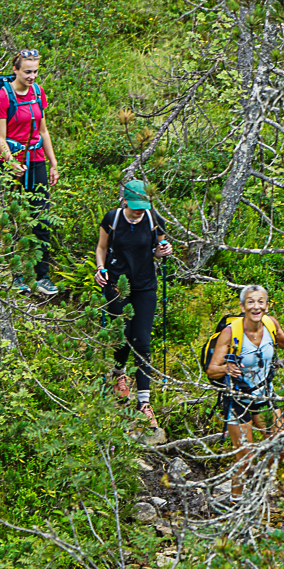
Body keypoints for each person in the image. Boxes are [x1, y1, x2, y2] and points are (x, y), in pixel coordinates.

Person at [206, 284, 284, 490]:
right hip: (237, 400)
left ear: (267, 306)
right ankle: (235, 502)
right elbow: (211, 370)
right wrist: (227, 368)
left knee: (283, 448)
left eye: (260, 302)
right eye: (251, 302)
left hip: (264, 396)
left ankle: (257, 478)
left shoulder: (270, 324)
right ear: (242, 307)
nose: (256, 306)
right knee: (244, 457)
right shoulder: (230, 332)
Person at [94, 179, 173, 427]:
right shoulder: (113, 218)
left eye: (143, 206)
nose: (139, 210)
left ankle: (144, 402)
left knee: (143, 340)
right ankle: (119, 373)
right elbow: (101, 247)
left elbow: (158, 249)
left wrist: (163, 251)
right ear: (125, 201)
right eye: (136, 206)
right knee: (123, 334)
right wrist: (99, 268)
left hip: (145, 285)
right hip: (117, 284)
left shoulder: (153, 219)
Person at [0, 49, 60, 298]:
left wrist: (53, 163)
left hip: (36, 159)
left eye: (35, 71)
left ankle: (42, 276)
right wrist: (11, 163)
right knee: (13, 218)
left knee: (42, 217)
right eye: (27, 71)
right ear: (16, 70)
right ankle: (17, 275)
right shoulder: (2, 96)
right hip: (12, 161)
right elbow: (0, 137)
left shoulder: (38, 92)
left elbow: (43, 131)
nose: (32, 76)